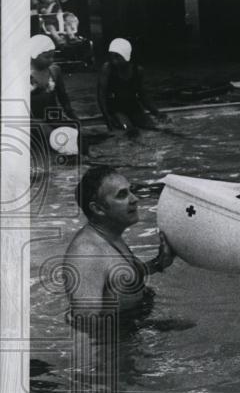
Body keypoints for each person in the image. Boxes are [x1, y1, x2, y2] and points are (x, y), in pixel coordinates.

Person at [63, 165, 175, 322]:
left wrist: (158, 263)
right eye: (122, 195)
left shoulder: (110, 236)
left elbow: (119, 278)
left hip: (131, 330)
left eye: (130, 191)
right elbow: (85, 321)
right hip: (116, 343)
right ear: (98, 209)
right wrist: (151, 326)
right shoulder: (88, 252)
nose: (134, 199)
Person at [97, 38, 170, 136]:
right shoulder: (107, 69)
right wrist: (107, 118)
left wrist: (157, 113)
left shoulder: (138, 70)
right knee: (130, 132)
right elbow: (101, 95)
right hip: (116, 108)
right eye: (112, 56)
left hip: (133, 106)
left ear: (126, 56)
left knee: (154, 128)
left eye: (117, 56)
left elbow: (143, 96)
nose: (113, 60)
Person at [30, 34, 84, 156]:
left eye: (52, 56)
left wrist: (72, 115)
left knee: (76, 133)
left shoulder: (54, 70)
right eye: (47, 57)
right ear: (33, 55)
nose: (51, 60)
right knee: (55, 137)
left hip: (52, 116)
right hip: (33, 119)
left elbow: (63, 97)